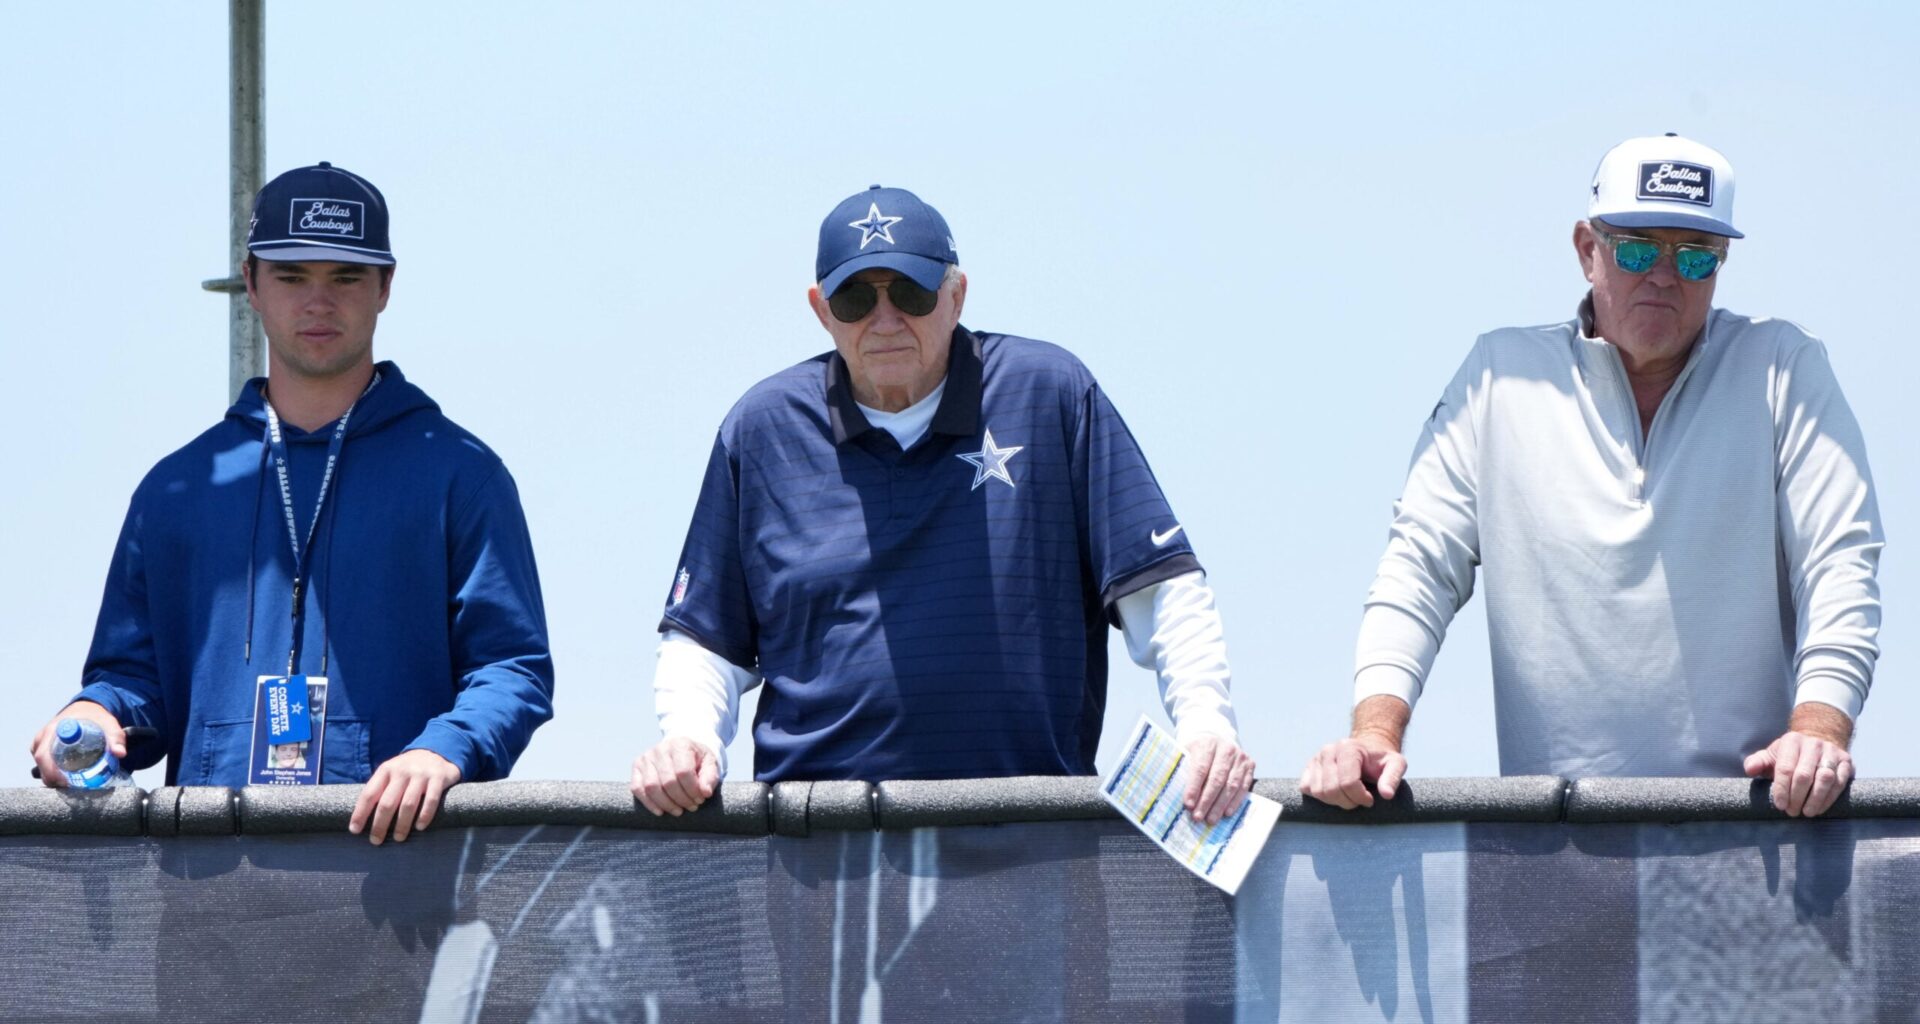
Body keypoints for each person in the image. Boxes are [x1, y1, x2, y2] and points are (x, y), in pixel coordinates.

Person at [1300, 134, 1882, 818]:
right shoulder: (1496, 378)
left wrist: (1819, 729)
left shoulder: (1785, 368)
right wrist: (1375, 732)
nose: (1664, 276)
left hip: (1752, 835)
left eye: (1696, 256)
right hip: (1555, 854)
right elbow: (1418, 568)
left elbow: (1840, 564)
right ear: (1586, 250)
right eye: (1637, 249)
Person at [629, 186, 1253, 822]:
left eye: (911, 292)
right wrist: (689, 737)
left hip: (1029, 850)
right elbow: (705, 636)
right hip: (817, 854)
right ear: (821, 310)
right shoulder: (761, 430)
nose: (886, 319)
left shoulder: (1050, 394)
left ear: (956, 295)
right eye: (855, 298)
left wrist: (1207, 724)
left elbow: (1161, 587)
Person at [27, 162, 555, 843]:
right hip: (209, 878)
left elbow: (512, 668)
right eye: (292, 275)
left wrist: (443, 750)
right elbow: (133, 677)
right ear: (250, 283)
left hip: (399, 878)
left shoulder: (461, 474)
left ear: (386, 287)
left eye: (345, 277)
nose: (318, 301)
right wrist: (99, 712)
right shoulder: (177, 488)